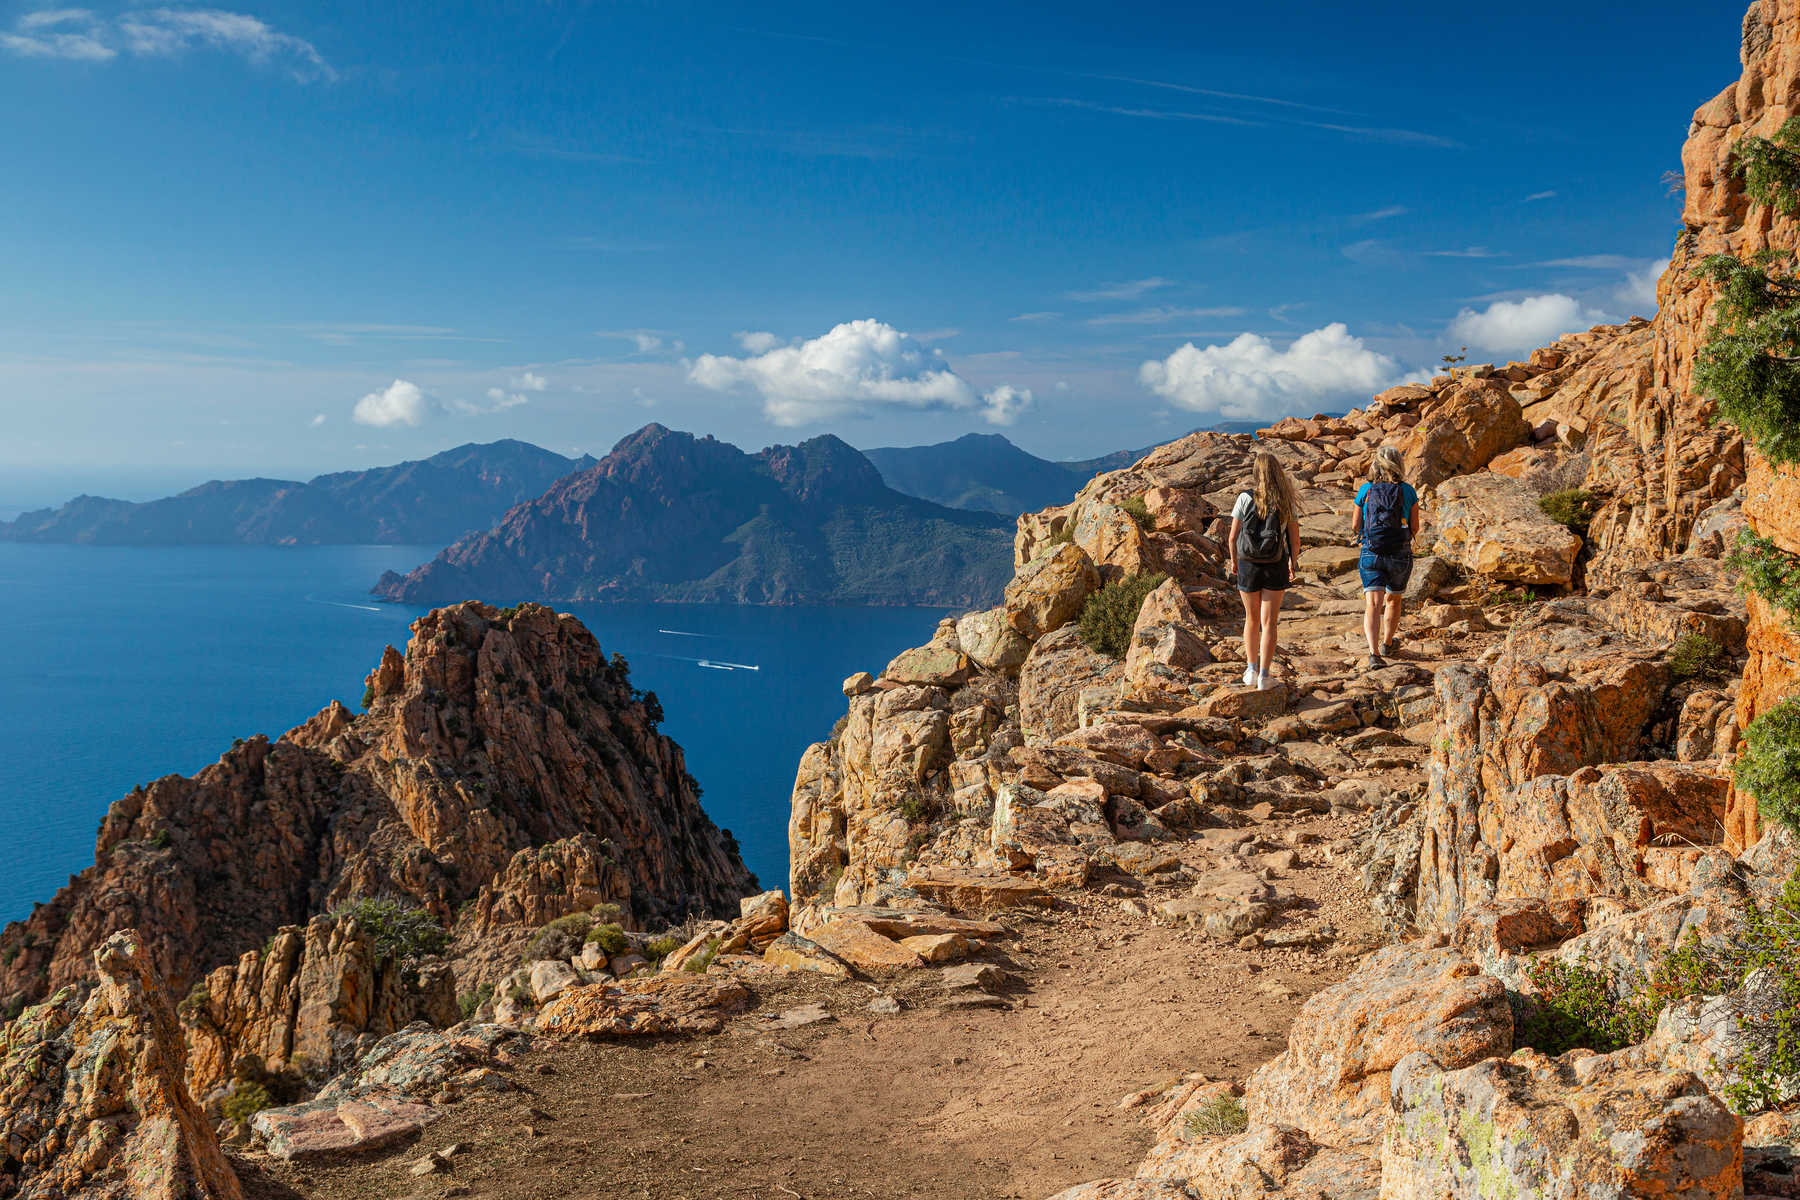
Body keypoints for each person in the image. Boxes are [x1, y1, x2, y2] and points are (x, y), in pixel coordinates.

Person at [1228, 452, 1302, 690]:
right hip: (1275, 564)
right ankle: (1265, 676)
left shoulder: (1244, 498)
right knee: (1269, 623)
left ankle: (1251, 670)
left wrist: (1234, 562)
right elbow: (1295, 539)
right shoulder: (1285, 501)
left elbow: (1232, 537)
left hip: (1248, 564)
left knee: (1251, 619)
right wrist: (1293, 562)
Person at [1352, 445, 1420, 669]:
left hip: (1371, 551)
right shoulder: (1408, 491)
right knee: (1393, 599)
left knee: (1373, 603)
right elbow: (1415, 527)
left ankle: (1373, 654)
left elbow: (1355, 525)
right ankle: (1388, 643)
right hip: (1399, 552)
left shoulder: (1366, 490)